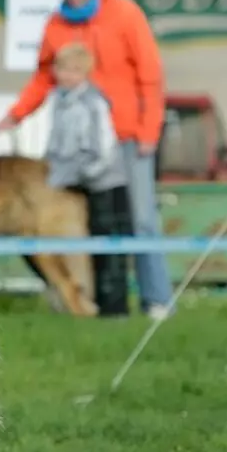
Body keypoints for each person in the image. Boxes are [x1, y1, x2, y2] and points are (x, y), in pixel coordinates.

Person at [0, 0, 173, 320]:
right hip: (78, 146)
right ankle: (95, 302)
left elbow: (151, 75)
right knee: (82, 221)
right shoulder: (56, 26)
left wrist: (148, 130)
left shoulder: (126, 15)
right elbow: (44, 77)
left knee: (141, 219)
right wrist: (16, 114)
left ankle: (156, 299)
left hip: (126, 138)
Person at [44, 42, 133, 316]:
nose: (66, 75)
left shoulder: (94, 102)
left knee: (109, 245)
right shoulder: (58, 101)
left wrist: (87, 173)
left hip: (103, 182)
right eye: (62, 69)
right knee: (87, 245)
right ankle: (90, 303)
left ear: (85, 73)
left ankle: (115, 308)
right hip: (73, 183)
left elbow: (105, 146)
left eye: (73, 70)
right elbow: (55, 141)